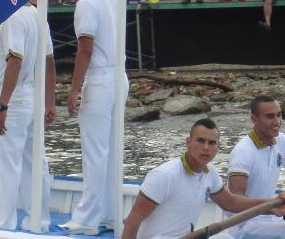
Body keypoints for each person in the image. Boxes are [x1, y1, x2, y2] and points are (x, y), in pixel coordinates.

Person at [121, 118, 285, 239]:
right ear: (188, 142)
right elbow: (133, 219)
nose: (206, 148)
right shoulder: (165, 175)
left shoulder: (209, 173)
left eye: (211, 143)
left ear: (218, 147)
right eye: (200, 141)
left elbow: (231, 202)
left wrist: (271, 205)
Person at [63, 0, 129, 235]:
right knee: (111, 149)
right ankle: (111, 214)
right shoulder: (114, 1)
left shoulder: (87, 2)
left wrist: (74, 88)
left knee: (94, 151)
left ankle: (87, 218)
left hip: (100, 78)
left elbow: (85, 49)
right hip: (119, 76)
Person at [0, 0, 57, 232]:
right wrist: (49, 102)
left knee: (6, 164)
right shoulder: (38, 14)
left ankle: (2, 223)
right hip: (33, 95)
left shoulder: (13, 17)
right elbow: (49, 62)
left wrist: (2, 106)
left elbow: (15, 62)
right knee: (35, 163)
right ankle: (40, 221)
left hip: (14, 97)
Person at [224, 96, 285, 238]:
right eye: (270, 116)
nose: (277, 121)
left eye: (279, 115)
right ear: (254, 119)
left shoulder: (280, 140)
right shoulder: (243, 152)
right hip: (245, 223)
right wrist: (271, 207)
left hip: (271, 216)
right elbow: (235, 201)